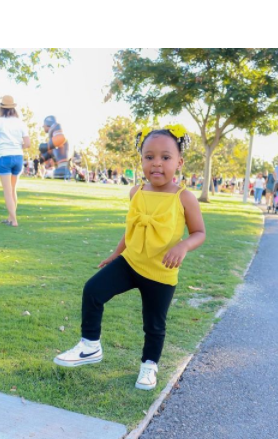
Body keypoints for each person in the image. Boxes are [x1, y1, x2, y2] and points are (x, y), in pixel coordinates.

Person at [54, 125, 206, 391]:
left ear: (179, 162)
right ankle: (90, 346)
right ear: (142, 160)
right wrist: (116, 253)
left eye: (165, 157)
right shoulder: (136, 192)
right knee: (93, 290)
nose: (156, 163)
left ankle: (149, 366)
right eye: (149, 157)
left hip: (160, 271)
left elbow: (199, 232)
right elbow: (132, 227)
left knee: (154, 324)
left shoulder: (185, 198)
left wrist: (183, 246)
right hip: (130, 263)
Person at [0, 95, 30, 227]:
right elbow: (27, 143)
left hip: (4, 157)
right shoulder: (21, 123)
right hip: (18, 157)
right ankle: (10, 217)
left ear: (1, 108)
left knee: (7, 191)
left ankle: (13, 220)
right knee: (13, 190)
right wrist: (17, 145)